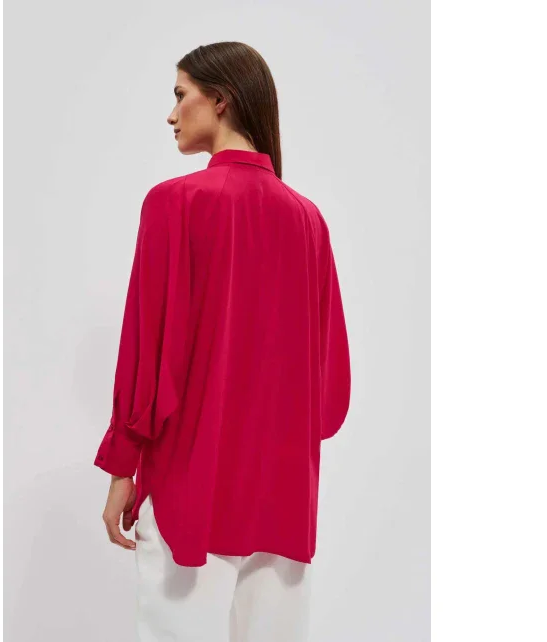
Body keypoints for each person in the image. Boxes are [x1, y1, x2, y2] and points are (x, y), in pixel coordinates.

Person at [93, 41, 351, 642]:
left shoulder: (175, 203)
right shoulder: (308, 219)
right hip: (284, 499)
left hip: (192, 488)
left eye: (180, 94)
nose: (171, 113)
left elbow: (148, 351)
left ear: (220, 100)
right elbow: (329, 392)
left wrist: (123, 464)